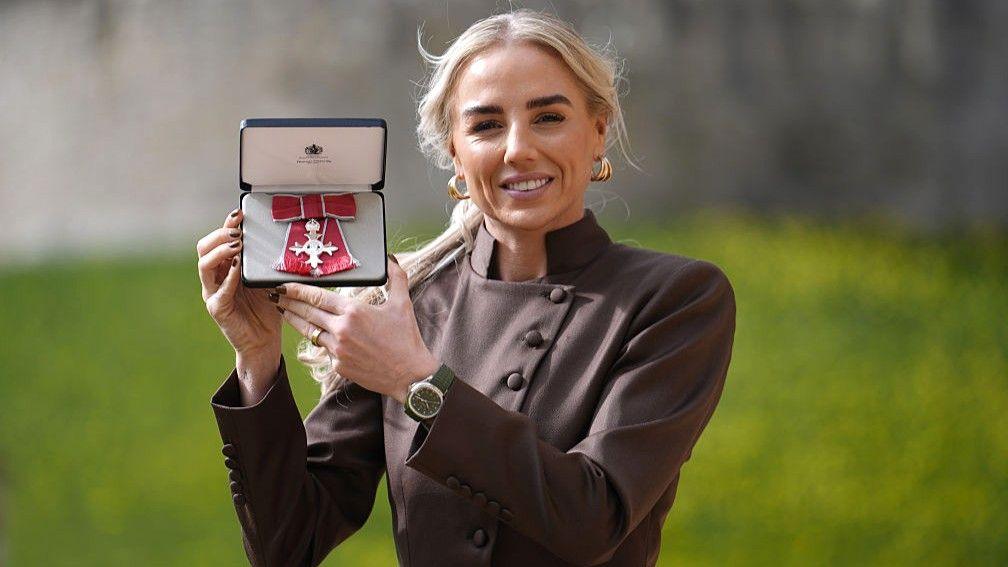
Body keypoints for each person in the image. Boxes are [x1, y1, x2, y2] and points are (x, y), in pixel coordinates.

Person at [196, 9, 735, 567]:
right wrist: (257, 358)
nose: (517, 149)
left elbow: (593, 519)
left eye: (548, 117)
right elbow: (288, 545)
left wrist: (414, 381)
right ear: (454, 151)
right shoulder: (410, 304)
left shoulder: (678, 299)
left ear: (597, 131)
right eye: (485, 125)